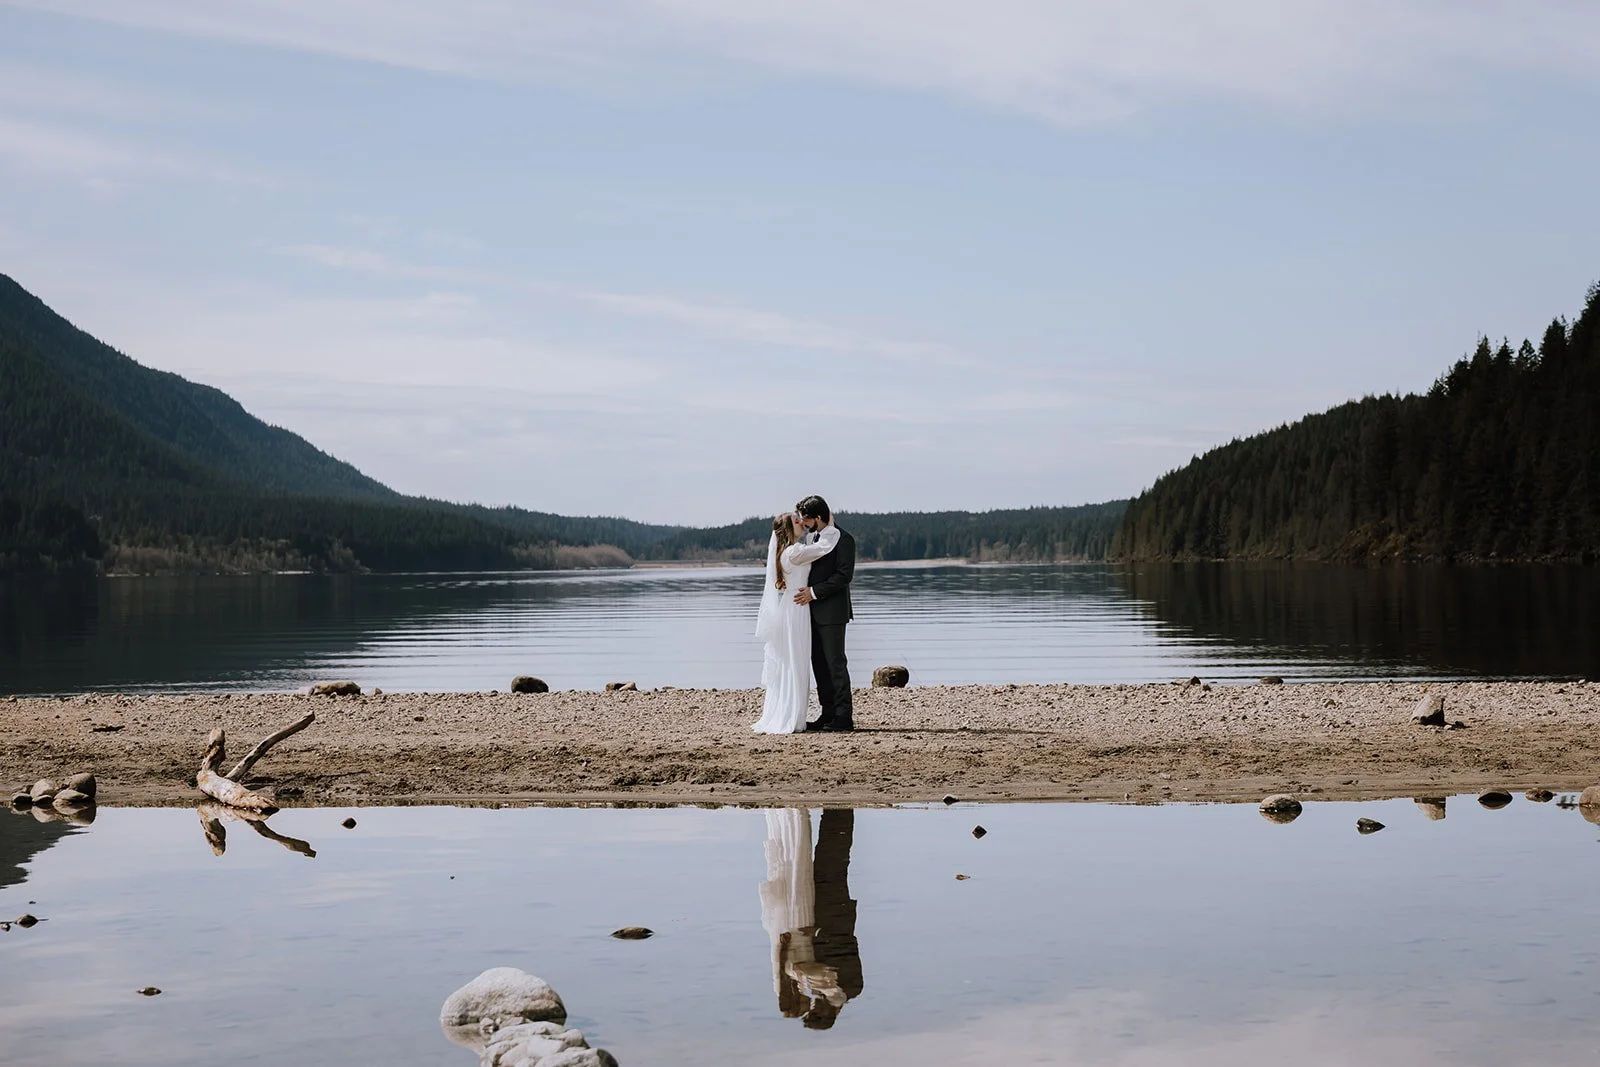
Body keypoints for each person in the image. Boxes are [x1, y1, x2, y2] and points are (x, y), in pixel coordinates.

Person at [752, 512, 840, 734]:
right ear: (788, 529)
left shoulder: (786, 552)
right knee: (795, 662)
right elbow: (825, 547)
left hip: (791, 607)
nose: (801, 522)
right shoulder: (793, 552)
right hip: (797, 610)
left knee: (792, 662)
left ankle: (790, 711)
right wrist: (828, 523)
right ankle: (791, 716)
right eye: (796, 521)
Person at [793, 495, 857, 731]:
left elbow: (843, 576)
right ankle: (827, 712)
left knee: (835, 663)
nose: (804, 524)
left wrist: (813, 592)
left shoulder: (844, 540)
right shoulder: (813, 538)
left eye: (806, 520)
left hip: (832, 613)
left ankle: (843, 716)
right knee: (818, 663)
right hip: (810, 612)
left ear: (818, 517)